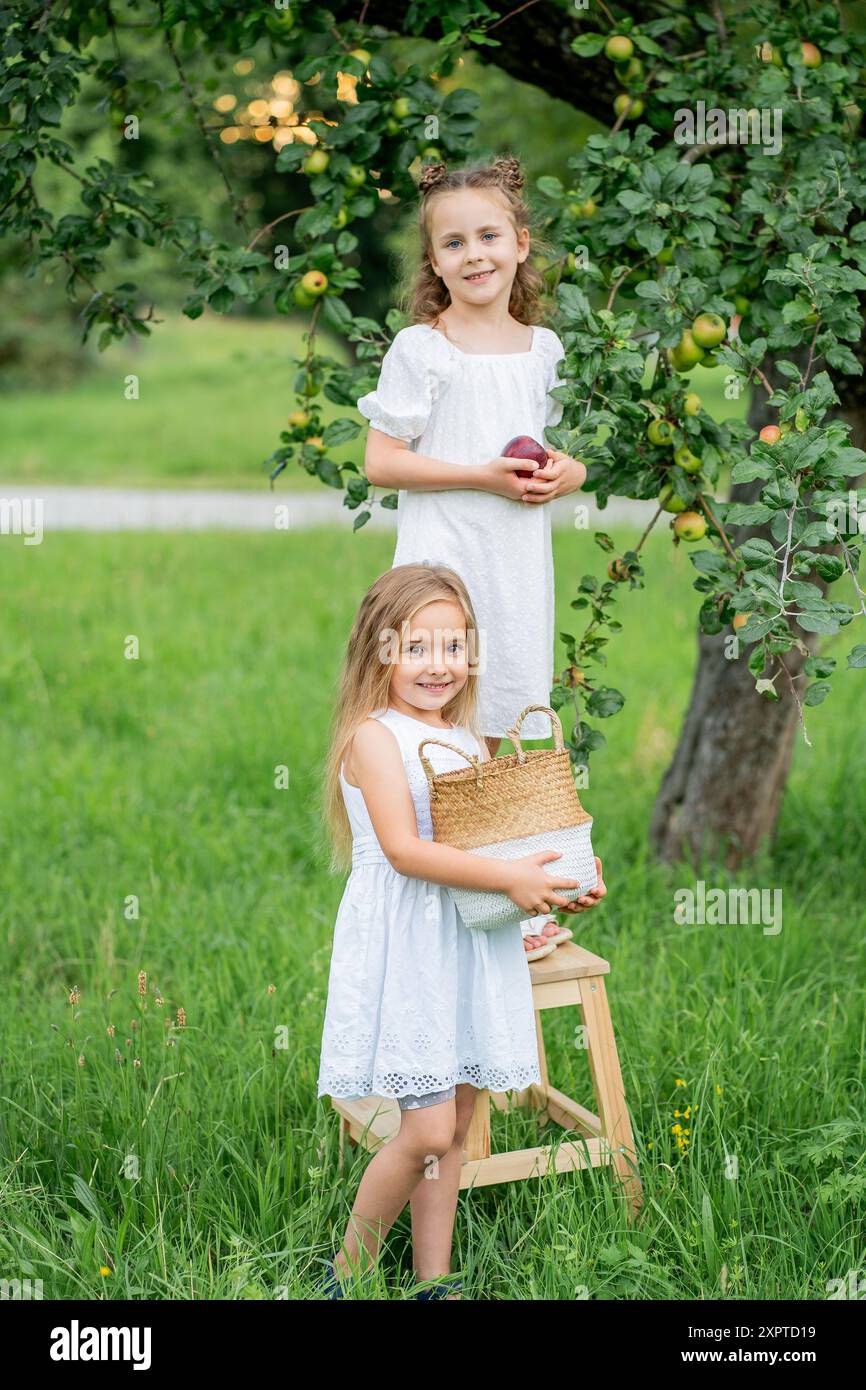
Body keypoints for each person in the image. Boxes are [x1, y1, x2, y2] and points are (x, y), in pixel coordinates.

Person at [316, 563, 606, 1299]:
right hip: (414, 946)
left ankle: (432, 1280)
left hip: (468, 944)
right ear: (378, 651)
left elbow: (495, 856)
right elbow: (409, 852)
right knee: (424, 1131)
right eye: (416, 648)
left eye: (453, 646)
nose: (437, 665)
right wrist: (510, 880)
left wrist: (556, 882)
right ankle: (345, 1275)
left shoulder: (467, 742)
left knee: (460, 1119)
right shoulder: (373, 739)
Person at [357, 152, 587, 959]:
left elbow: (568, 455)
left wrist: (568, 473)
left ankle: (511, 903)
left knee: (504, 725)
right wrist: (480, 476)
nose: (474, 254)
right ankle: (447, 903)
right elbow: (381, 461)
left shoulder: (546, 351)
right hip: (444, 563)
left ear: (522, 244)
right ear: (434, 262)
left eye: (489, 235)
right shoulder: (425, 349)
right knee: (442, 725)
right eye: (453, 244)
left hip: (517, 565)